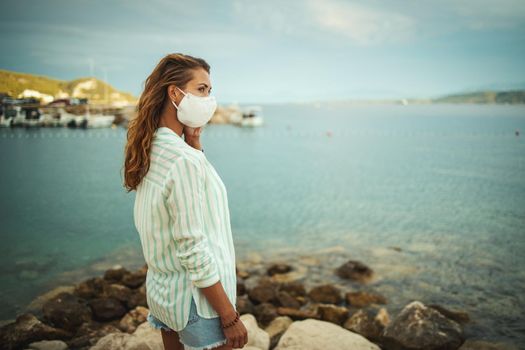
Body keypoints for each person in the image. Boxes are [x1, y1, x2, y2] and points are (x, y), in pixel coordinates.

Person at [123, 53, 248, 350]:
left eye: (209, 90)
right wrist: (229, 316)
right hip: (198, 306)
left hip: (166, 295)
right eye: (202, 89)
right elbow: (192, 247)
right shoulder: (182, 161)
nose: (210, 98)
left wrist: (194, 144)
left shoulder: (152, 147)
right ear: (175, 93)